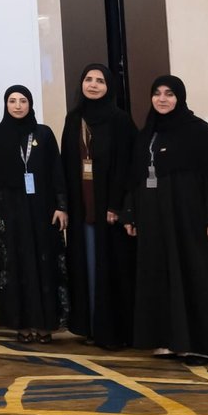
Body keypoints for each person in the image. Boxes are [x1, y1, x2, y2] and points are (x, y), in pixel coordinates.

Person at [123, 75, 208, 360]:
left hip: (192, 221)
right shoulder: (147, 133)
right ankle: (168, 339)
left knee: (196, 276)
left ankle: (204, 343)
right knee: (162, 277)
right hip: (156, 221)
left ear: (180, 98)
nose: (162, 99)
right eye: (157, 93)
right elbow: (135, 180)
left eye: (169, 94)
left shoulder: (199, 132)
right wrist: (131, 215)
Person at [0, 86, 68, 344]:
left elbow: (57, 171)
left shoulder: (44, 133)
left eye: (23, 101)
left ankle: (45, 325)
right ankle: (22, 325)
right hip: (10, 211)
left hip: (42, 209)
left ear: (30, 104)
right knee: (16, 265)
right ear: (5, 104)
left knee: (44, 265)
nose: (17, 106)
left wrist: (61, 206)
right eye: (12, 101)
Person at [60, 63, 137, 349]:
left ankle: (114, 330)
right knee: (87, 267)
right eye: (88, 79)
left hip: (110, 209)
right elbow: (65, 164)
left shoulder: (120, 121)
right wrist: (65, 205)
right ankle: (90, 326)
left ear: (109, 87)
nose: (93, 85)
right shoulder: (73, 119)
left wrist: (116, 205)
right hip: (82, 207)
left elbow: (128, 167)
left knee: (111, 268)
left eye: (100, 81)